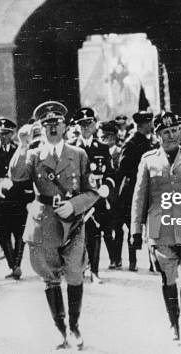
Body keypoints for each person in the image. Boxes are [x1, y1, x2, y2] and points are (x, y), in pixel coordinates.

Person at [9, 101, 100, 350]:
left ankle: (74, 326)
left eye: (56, 123)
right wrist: (23, 144)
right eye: (46, 124)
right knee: (49, 277)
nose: (52, 128)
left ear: (64, 126)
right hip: (44, 222)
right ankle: (60, 329)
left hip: (72, 224)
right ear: (41, 127)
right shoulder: (34, 155)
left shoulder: (79, 154)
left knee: (74, 274)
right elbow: (16, 176)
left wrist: (74, 205)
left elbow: (92, 191)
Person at [130, 111, 181, 341]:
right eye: (166, 132)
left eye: (174, 130)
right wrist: (136, 230)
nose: (172, 135)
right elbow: (139, 196)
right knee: (167, 276)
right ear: (157, 135)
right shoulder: (149, 160)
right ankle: (173, 322)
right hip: (160, 228)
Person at [70, 107, 115, 281]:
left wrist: (106, 188)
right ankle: (80, 268)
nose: (85, 127)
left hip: (97, 198)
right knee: (77, 235)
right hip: (78, 199)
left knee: (95, 234)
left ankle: (94, 271)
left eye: (88, 123)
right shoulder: (72, 147)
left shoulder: (102, 147)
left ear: (95, 125)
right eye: (81, 124)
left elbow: (110, 173)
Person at [0, 117, 27, 280]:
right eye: (0, 133)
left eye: (7, 134)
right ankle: (12, 266)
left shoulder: (20, 150)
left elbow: (26, 173)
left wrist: (14, 182)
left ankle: (17, 264)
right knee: (2, 233)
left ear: (13, 134)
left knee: (19, 233)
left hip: (17, 197)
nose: (3, 137)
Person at [115, 110, 154, 271]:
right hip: (132, 190)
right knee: (134, 224)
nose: (151, 125)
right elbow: (122, 168)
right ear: (142, 125)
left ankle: (151, 262)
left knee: (148, 224)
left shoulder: (147, 141)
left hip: (147, 188)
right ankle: (134, 262)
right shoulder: (130, 143)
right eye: (149, 123)